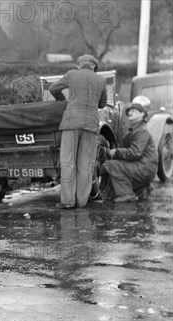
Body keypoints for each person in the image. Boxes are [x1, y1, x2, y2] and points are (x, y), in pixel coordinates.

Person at [49, 54, 108, 209]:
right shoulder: (101, 80)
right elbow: (102, 104)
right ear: (94, 66)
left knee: (68, 161)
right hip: (91, 125)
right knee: (86, 164)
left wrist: (63, 100)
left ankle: (68, 201)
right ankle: (81, 201)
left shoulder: (71, 74)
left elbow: (53, 88)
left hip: (71, 122)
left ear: (79, 65)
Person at [101, 103, 157, 202]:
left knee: (111, 165)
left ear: (143, 115)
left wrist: (116, 152)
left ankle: (126, 194)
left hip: (144, 168)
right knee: (119, 165)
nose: (131, 112)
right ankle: (142, 189)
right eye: (130, 111)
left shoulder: (141, 131)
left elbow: (135, 153)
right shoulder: (135, 129)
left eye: (135, 111)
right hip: (145, 167)